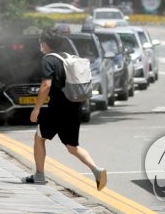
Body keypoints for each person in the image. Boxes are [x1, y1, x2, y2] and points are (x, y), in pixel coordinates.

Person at [24, 29, 108, 191]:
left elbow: (46, 85)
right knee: (72, 146)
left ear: (47, 44)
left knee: (39, 138)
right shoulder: (69, 58)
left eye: (41, 42)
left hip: (57, 108)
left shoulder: (49, 60)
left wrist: (36, 109)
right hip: (74, 107)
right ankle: (96, 170)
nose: (40, 45)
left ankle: (39, 175)